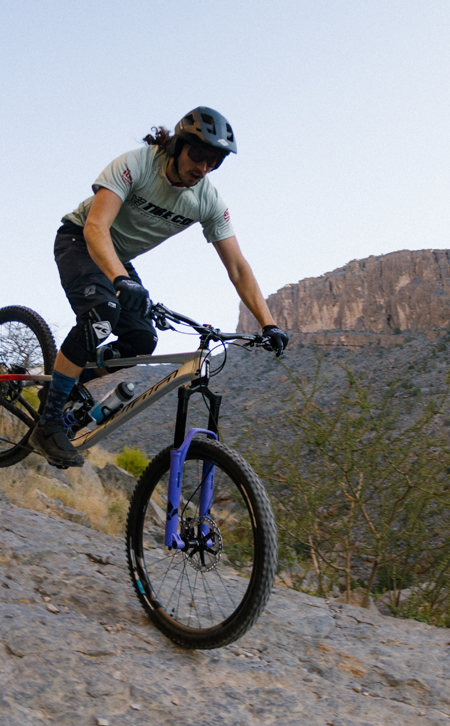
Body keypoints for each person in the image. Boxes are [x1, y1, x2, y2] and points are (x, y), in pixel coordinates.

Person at [30, 106, 289, 468]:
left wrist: (268, 323)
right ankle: (49, 421)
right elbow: (95, 227)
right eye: (198, 154)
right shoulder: (137, 164)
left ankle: (72, 379)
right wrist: (121, 280)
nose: (202, 167)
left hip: (118, 258)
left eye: (213, 161)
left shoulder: (207, 200)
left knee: (141, 340)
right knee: (102, 314)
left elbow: (238, 267)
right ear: (178, 145)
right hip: (81, 239)